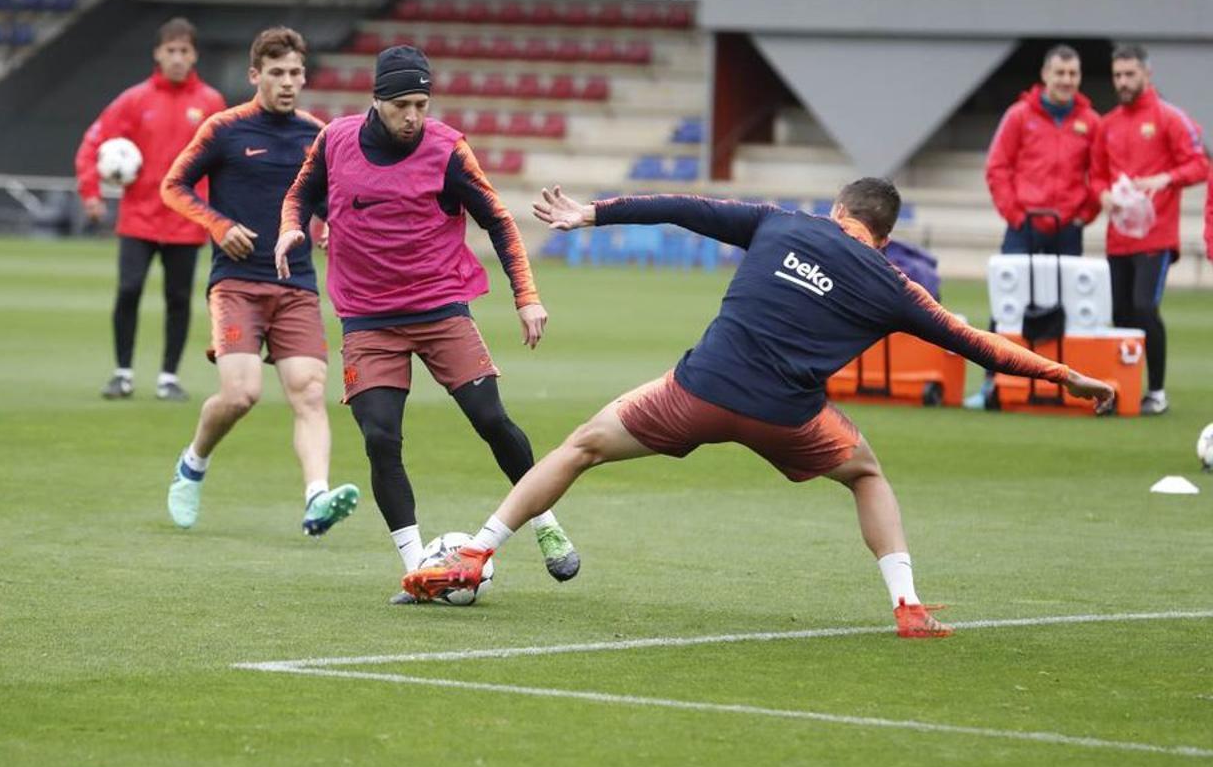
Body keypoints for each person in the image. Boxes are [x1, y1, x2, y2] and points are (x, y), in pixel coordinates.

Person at [404, 180, 1118, 637]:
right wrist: (1066, 378)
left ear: (839, 211)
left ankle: (475, 553)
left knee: (581, 446)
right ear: (883, 234)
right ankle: (906, 605)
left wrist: (592, 215)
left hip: (697, 393)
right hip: (789, 419)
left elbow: (687, 209)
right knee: (867, 475)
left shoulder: (780, 225)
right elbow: (978, 344)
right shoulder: (896, 286)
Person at [276, 45, 577, 601]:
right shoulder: (335, 140)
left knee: (491, 420)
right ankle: (418, 570)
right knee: (380, 438)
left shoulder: (447, 150)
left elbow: (499, 222)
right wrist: (291, 227)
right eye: (403, 105)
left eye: (422, 103)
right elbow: (300, 193)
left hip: (440, 309)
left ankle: (545, 522)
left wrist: (526, 296)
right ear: (377, 100)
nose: (414, 116)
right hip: (368, 319)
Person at [159, 27, 360, 535]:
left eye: (295, 73)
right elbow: (174, 186)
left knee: (310, 392)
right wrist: (219, 225)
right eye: (277, 73)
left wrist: (330, 223)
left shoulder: (318, 134)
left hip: (296, 285)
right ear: (255, 76)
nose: (288, 82)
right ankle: (193, 463)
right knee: (241, 394)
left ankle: (317, 498)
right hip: (237, 285)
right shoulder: (224, 129)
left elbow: (325, 197)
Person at [76, 16, 226, 402]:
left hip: (186, 219)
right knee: (128, 290)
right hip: (139, 217)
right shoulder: (134, 100)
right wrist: (91, 192)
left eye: (184, 51)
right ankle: (122, 373)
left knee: (178, 299)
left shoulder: (210, 103)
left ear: (194, 56)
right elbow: (93, 143)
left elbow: (224, 160)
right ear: (158, 53)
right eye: (170, 50)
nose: (177, 58)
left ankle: (167, 378)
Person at [969, 43, 1103, 409]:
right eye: (1060, 73)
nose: (1066, 80)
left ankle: (1066, 387)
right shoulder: (1018, 116)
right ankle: (991, 384)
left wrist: (1084, 214)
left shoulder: (1091, 122)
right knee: (1007, 305)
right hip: (1023, 225)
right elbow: (998, 168)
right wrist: (1015, 214)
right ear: (1045, 75)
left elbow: (1100, 175)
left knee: (1069, 307)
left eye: (1073, 74)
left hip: (1067, 229)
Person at [1089, 42, 1208, 416]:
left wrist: (1164, 178)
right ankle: (1124, 389)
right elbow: (1095, 176)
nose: (1123, 82)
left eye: (1130, 74)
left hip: (1155, 238)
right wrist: (1103, 195)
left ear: (1146, 74)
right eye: (1118, 75)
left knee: (1144, 308)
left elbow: (1199, 166)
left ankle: (1157, 391)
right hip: (1118, 237)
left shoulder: (1169, 117)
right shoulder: (1106, 125)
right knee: (1121, 314)